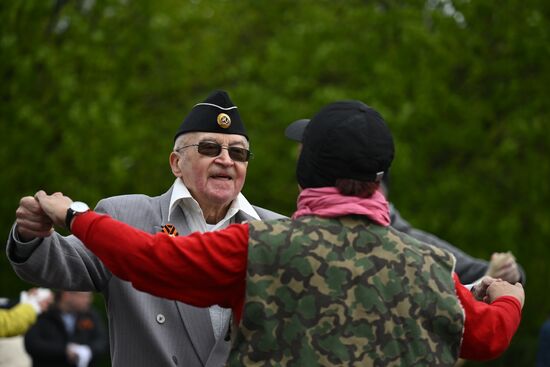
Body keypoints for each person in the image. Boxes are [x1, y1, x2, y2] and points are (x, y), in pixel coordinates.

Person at [34, 100, 524, 366]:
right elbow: (487, 337)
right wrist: (509, 298)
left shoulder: (264, 247)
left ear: (309, 169)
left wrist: (75, 215)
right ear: (378, 179)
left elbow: (154, 262)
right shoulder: (427, 266)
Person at [6, 90, 284, 367]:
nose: (226, 159)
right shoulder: (124, 216)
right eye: (209, 148)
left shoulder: (278, 231)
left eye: (238, 152)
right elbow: (57, 264)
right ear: (176, 163)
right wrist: (31, 233)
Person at [285, 118, 525, 285]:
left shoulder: (417, 250)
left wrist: (501, 275)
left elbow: (493, 278)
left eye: (312, 164)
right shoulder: (288, 238)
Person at [24, 291, 108, 367]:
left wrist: (88, 351)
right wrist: (64, 350)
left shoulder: (90, 315)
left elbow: (102, 341)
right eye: (83, 296)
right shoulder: (44, 314)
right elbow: (32, 344)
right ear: (66, 295)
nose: (88, 300)